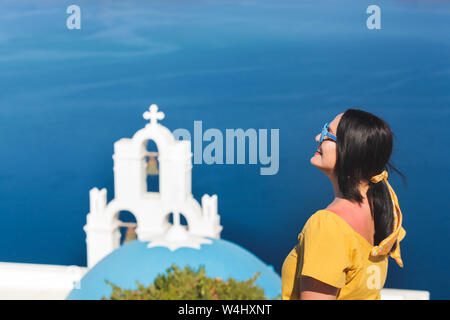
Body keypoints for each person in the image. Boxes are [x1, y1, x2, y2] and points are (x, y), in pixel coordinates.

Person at [281, 109, 406, 300]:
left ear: (350, 150)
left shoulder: (328, 226)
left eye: (328, 134)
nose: (317, 138)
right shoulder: (383, 210)